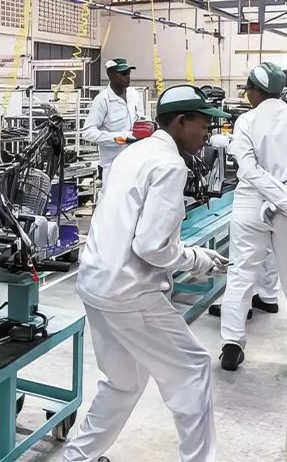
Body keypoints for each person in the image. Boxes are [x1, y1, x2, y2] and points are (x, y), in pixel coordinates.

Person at [65, 84, 230, 462]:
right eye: (203, 123)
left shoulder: (134, 152)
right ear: (180, 121)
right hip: (130, 292)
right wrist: (197, 258)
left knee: (123, 382)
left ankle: (78, 457)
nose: (208, 132)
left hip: (95, 283)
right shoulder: (170, 164)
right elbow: (152, 247)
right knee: (193, 369)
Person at [219, 63, 287, 371]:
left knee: (240, 274)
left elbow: (248, 169)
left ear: (254, 89)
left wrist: (272, 201)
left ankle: (232, 343)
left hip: (251, 204)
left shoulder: (246, 121)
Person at [81, 58, 145, 194]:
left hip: (135, 163)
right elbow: (87, 132)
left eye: (128, 73)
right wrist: (118, 138)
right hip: (113, 166)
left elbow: (140, 118)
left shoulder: (134, 95)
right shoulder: (102, 100)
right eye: (123, 73)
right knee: (111, 205)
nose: (127, 76)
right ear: (111, 75)